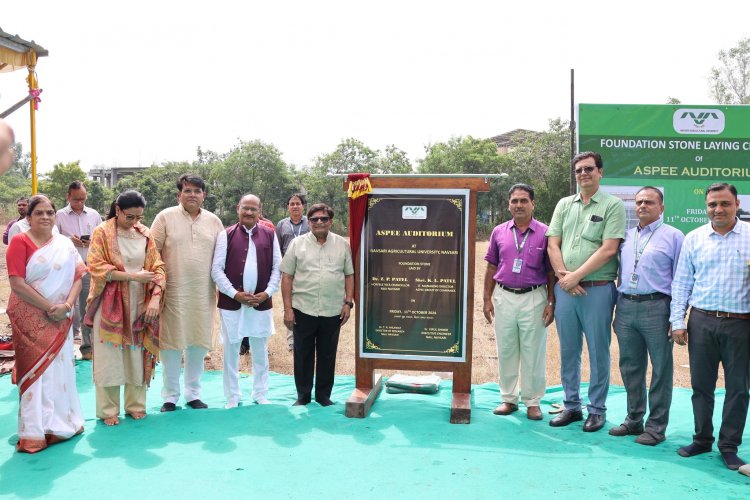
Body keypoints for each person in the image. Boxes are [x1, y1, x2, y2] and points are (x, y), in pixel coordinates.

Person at [670, 183, 750, 470]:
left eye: (725, 204)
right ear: (706, 206)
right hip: (701, 321)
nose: (718, 209)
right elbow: (681, 283)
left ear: (737, 204)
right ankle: (702, 439)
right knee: (701, 386)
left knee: (738, 388)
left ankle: (729, 446)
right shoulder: (694, 238)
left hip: (741, 324)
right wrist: (678, 321)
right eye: (712, 204)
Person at [546, 151, 626, 432]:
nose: (583, 174)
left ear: (600, 172)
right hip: (566, 290)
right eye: (579, 170)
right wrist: (563, 277)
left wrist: (575, 277)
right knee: (568, 350)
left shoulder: (613, 205)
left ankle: (597, 409)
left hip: (598, 290)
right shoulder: (564, 205)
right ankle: (571, 406)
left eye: (589, 169)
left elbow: (609, 249)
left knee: (598, 351)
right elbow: (553, 244)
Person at [6, 194, 86, 453]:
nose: (45, 217)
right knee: (35, 373)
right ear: (28, 218)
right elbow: (17, 283)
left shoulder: (64, 243)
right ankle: (35, 431)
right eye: (39, 213)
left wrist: (66, 306)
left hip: (61, 317)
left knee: (59, 372)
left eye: (50, 212)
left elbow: (78, 276)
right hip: (30, 318)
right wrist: (48, 307)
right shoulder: (19, 241)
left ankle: (61, 424)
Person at [610, 187, 683, 446]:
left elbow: (681, 280)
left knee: (661, 369)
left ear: (661, 207)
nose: (642, 206)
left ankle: (656, 427)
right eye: (639, 202)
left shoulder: (674, 237)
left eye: (649, 202)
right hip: (627, 306)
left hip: (658, 307)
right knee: (630, 367)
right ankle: (634, 419)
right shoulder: (626, 237)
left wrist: (677, 317)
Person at [85, 191, 165, 425]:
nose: (134, 222)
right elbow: (96, 266)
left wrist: (154, 299)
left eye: (139, 217)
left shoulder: (145, 233)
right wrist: (132, 277)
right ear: (117, 210)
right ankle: (108, 410)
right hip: (111, 303)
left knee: (136, 354)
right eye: (130, 217)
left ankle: (135, 405)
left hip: (140, 300)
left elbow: (158, 267)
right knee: (109, 356)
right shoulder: (102, 232)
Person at [150, 174, 224, 411]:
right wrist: (155, 289)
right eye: (188, 190)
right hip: (172, 292)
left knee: (197, 343)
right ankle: (170, 396)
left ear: (204, 195)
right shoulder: (165, 217)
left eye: (197, 191)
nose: (192, 195)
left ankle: (193, 393)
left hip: (203, 293)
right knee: (171, 344)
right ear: (179, 194)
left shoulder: (214, 221)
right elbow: (152, 254)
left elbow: (222, 259)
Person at [483, 183, 555, 420]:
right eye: (514, 201)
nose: (519, 205)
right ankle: (508, 399)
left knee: (533, 351)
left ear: (533, 204)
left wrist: (551, 302)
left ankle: (533, 401)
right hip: (504, 296)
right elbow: (492, 266)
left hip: (534, 297)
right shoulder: (499, 232)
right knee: (506, 349)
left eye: (524, 201)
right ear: (508, 205)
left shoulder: (546, 232)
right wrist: (487, 298)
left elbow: (552, 272)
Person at [211, 194, 281, 408]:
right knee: (231, 350)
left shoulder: (270, 235)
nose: (249, 212)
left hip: (260, 302)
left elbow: (278, 267)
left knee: (260, 349)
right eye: (245, 208)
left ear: (260, 211)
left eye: (253, 209)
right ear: (237, 209)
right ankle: (232, 396)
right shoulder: (226, 235)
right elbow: (216, 269)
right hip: (232, 303)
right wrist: (235, 294)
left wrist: (267, 292)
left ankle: (260, 393)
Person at [280, 202, 354, 406]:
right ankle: (303, 396)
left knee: (327, 354)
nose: (319, 222)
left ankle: (323, 396)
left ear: (331, 221)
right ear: (309, 222)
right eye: (314, 219)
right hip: (303, 309)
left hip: (332, 310)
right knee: (302, 354)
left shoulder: (342, 244)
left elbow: (349, 275)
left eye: (324, 219)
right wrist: (288, 309)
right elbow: (287, 277)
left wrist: (348, 302)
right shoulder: (297, 244)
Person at [56, 181, 103, 361]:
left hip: (88, 266)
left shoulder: (93, 215)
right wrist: (69, 239)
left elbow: (101, 238)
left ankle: (87, 348)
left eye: (83, 199)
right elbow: (52, 238)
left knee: (87, 308)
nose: (80, 203)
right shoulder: (59, 215)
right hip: (65, 268)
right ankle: (62, 348)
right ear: (68, 197)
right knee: (64, 306)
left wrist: (91, 242)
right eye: (76, 200)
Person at [276, 193, 309, 351]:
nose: (295, 206)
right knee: (289, 304)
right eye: (292, 203)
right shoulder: (282, 225)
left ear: (303, 206)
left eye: (298, 203)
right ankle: (291, 342)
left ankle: (308, 338)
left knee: (305, 303)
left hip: (307, 269)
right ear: (288, 207)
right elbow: (278, 247)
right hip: (289, 271)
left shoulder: (310, 223)